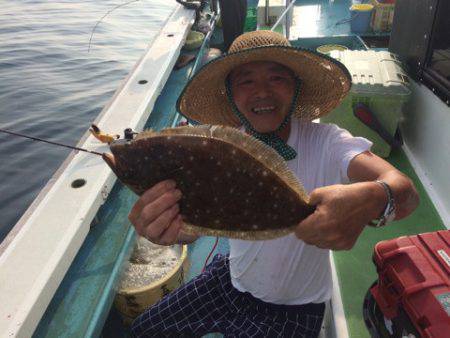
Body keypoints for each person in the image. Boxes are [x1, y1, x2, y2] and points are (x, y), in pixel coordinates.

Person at [129, 31, 419, 337]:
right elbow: (197, 226)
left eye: (276, 78)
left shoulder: (328, 142)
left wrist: (373, 198)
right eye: (246, 81)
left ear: (295, 87)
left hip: (293, 308)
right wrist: (174, 229)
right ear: (230, 93)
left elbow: (406, 192)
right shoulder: (223, 149)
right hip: (230, 280)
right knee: (145, 329)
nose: (262, 92)